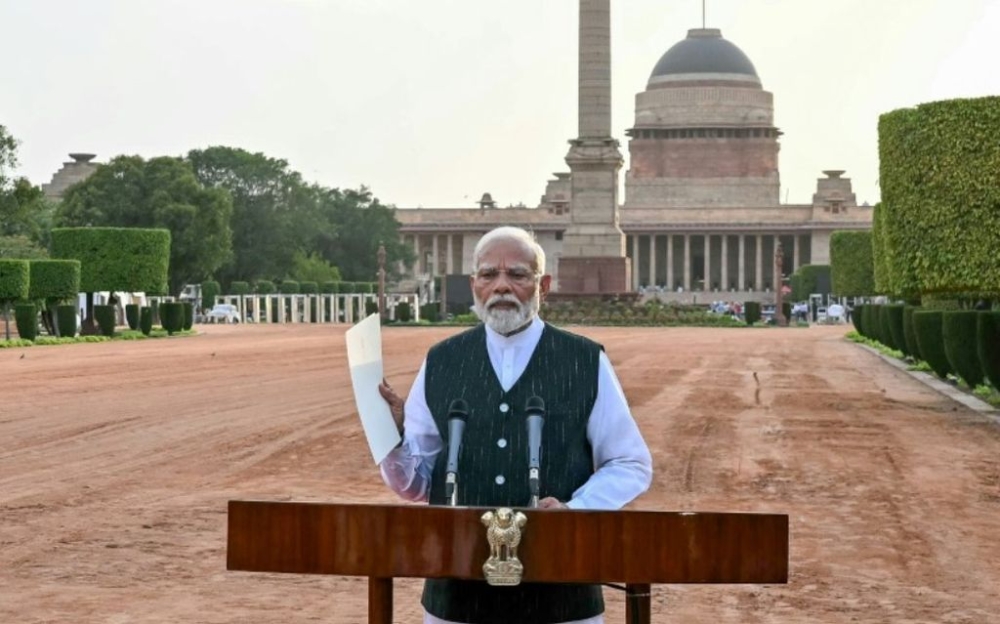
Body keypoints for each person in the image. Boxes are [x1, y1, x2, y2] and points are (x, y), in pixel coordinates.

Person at [378, 226, 653, 624]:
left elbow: (630, 463)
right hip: (457, 596)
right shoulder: (441, 362)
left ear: (543, 285)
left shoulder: (584, 360)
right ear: (474, 285)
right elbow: (415, 485)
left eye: (517, 275)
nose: (501, 286)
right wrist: (394, 441)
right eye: (489, 275)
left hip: (561, 597)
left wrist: (576, 511)